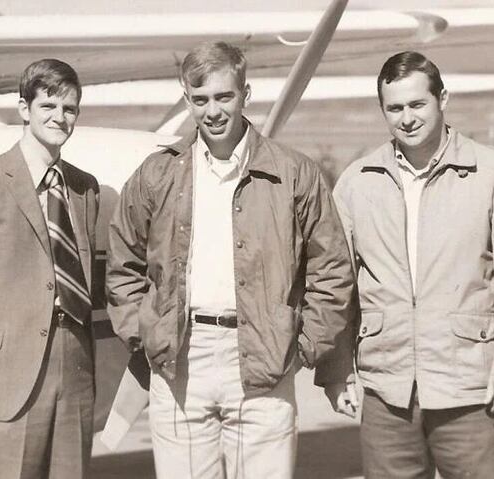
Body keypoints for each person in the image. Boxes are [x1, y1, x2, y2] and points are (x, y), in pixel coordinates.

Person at [106, 41, 356, 479]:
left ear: (246, 93)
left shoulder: (294, 173)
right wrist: (144, 335)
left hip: (264, 359)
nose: (213, 111)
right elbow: (122, 262)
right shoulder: (156, 174)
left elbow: (331, 268)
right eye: (200, 100)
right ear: (187, 100)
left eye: (224, 96)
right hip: (181, 358)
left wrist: (303, 347)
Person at [318, 51, 494, 478]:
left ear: (442, 99)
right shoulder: (357, 181)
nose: (407, 118)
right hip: (387, 389)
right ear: (383, 110)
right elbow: (337, 284)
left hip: (471, 386)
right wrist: (336, 368)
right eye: (394, 108)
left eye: (417, 104)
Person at [0, 59, 99, 479]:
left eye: (69, 109)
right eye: (48, 106)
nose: (59, 118)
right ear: (24, 108)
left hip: (74, 367)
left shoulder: (84, 188)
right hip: (5, 376)